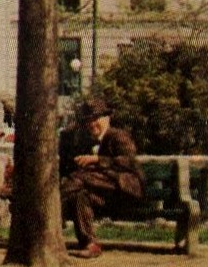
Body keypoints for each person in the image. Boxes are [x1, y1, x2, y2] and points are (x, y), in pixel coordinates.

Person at [59, 97, 144, 258]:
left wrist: (98, 160)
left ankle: (52, 205)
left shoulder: (118, 136)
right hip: (105, 196)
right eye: (88, 121)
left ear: (107, 118)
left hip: (125, 189)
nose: (91, 124)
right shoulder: (86, 140)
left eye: (95, 119)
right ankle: (90, 245)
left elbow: (129, 162)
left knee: (81, 177)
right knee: (80, 196)